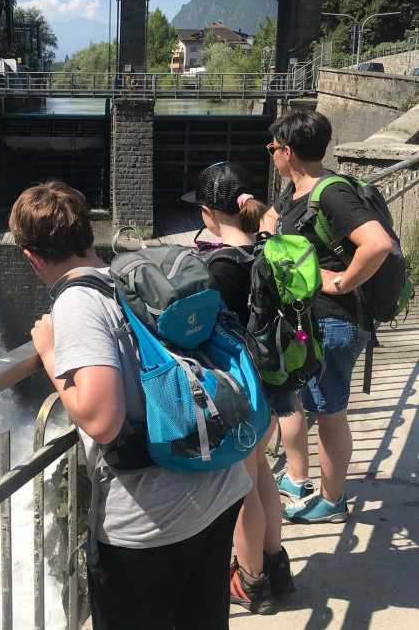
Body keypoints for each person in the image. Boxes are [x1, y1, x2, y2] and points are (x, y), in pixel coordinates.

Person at [10, 181, 251, 630]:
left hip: (154, 519)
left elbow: (102, 419)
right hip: (218, 486)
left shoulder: (79, 302)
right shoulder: (133, 277)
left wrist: (47, 352)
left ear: (32, 256)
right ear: (87, 232)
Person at [261, 110, 392, 523]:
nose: (271, 155)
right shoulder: (297, 189)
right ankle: (300, 479)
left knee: (329, 413)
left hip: (334, 321)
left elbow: (377, 243)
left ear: (288, 151)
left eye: (272, 148)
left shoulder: (331, 194)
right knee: (307, 399)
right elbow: (275, 222)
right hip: (308, 324)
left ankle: (332, 500)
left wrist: (339, 282)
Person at [183, 162, 295, 615]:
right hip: (272, 379)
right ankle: (275, 563)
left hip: (240, 386)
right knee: (260, 472)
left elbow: (203, 331)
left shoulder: (221, 266)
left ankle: (251, 580)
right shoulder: (266, 249)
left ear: (210, 213)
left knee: (240, 483)